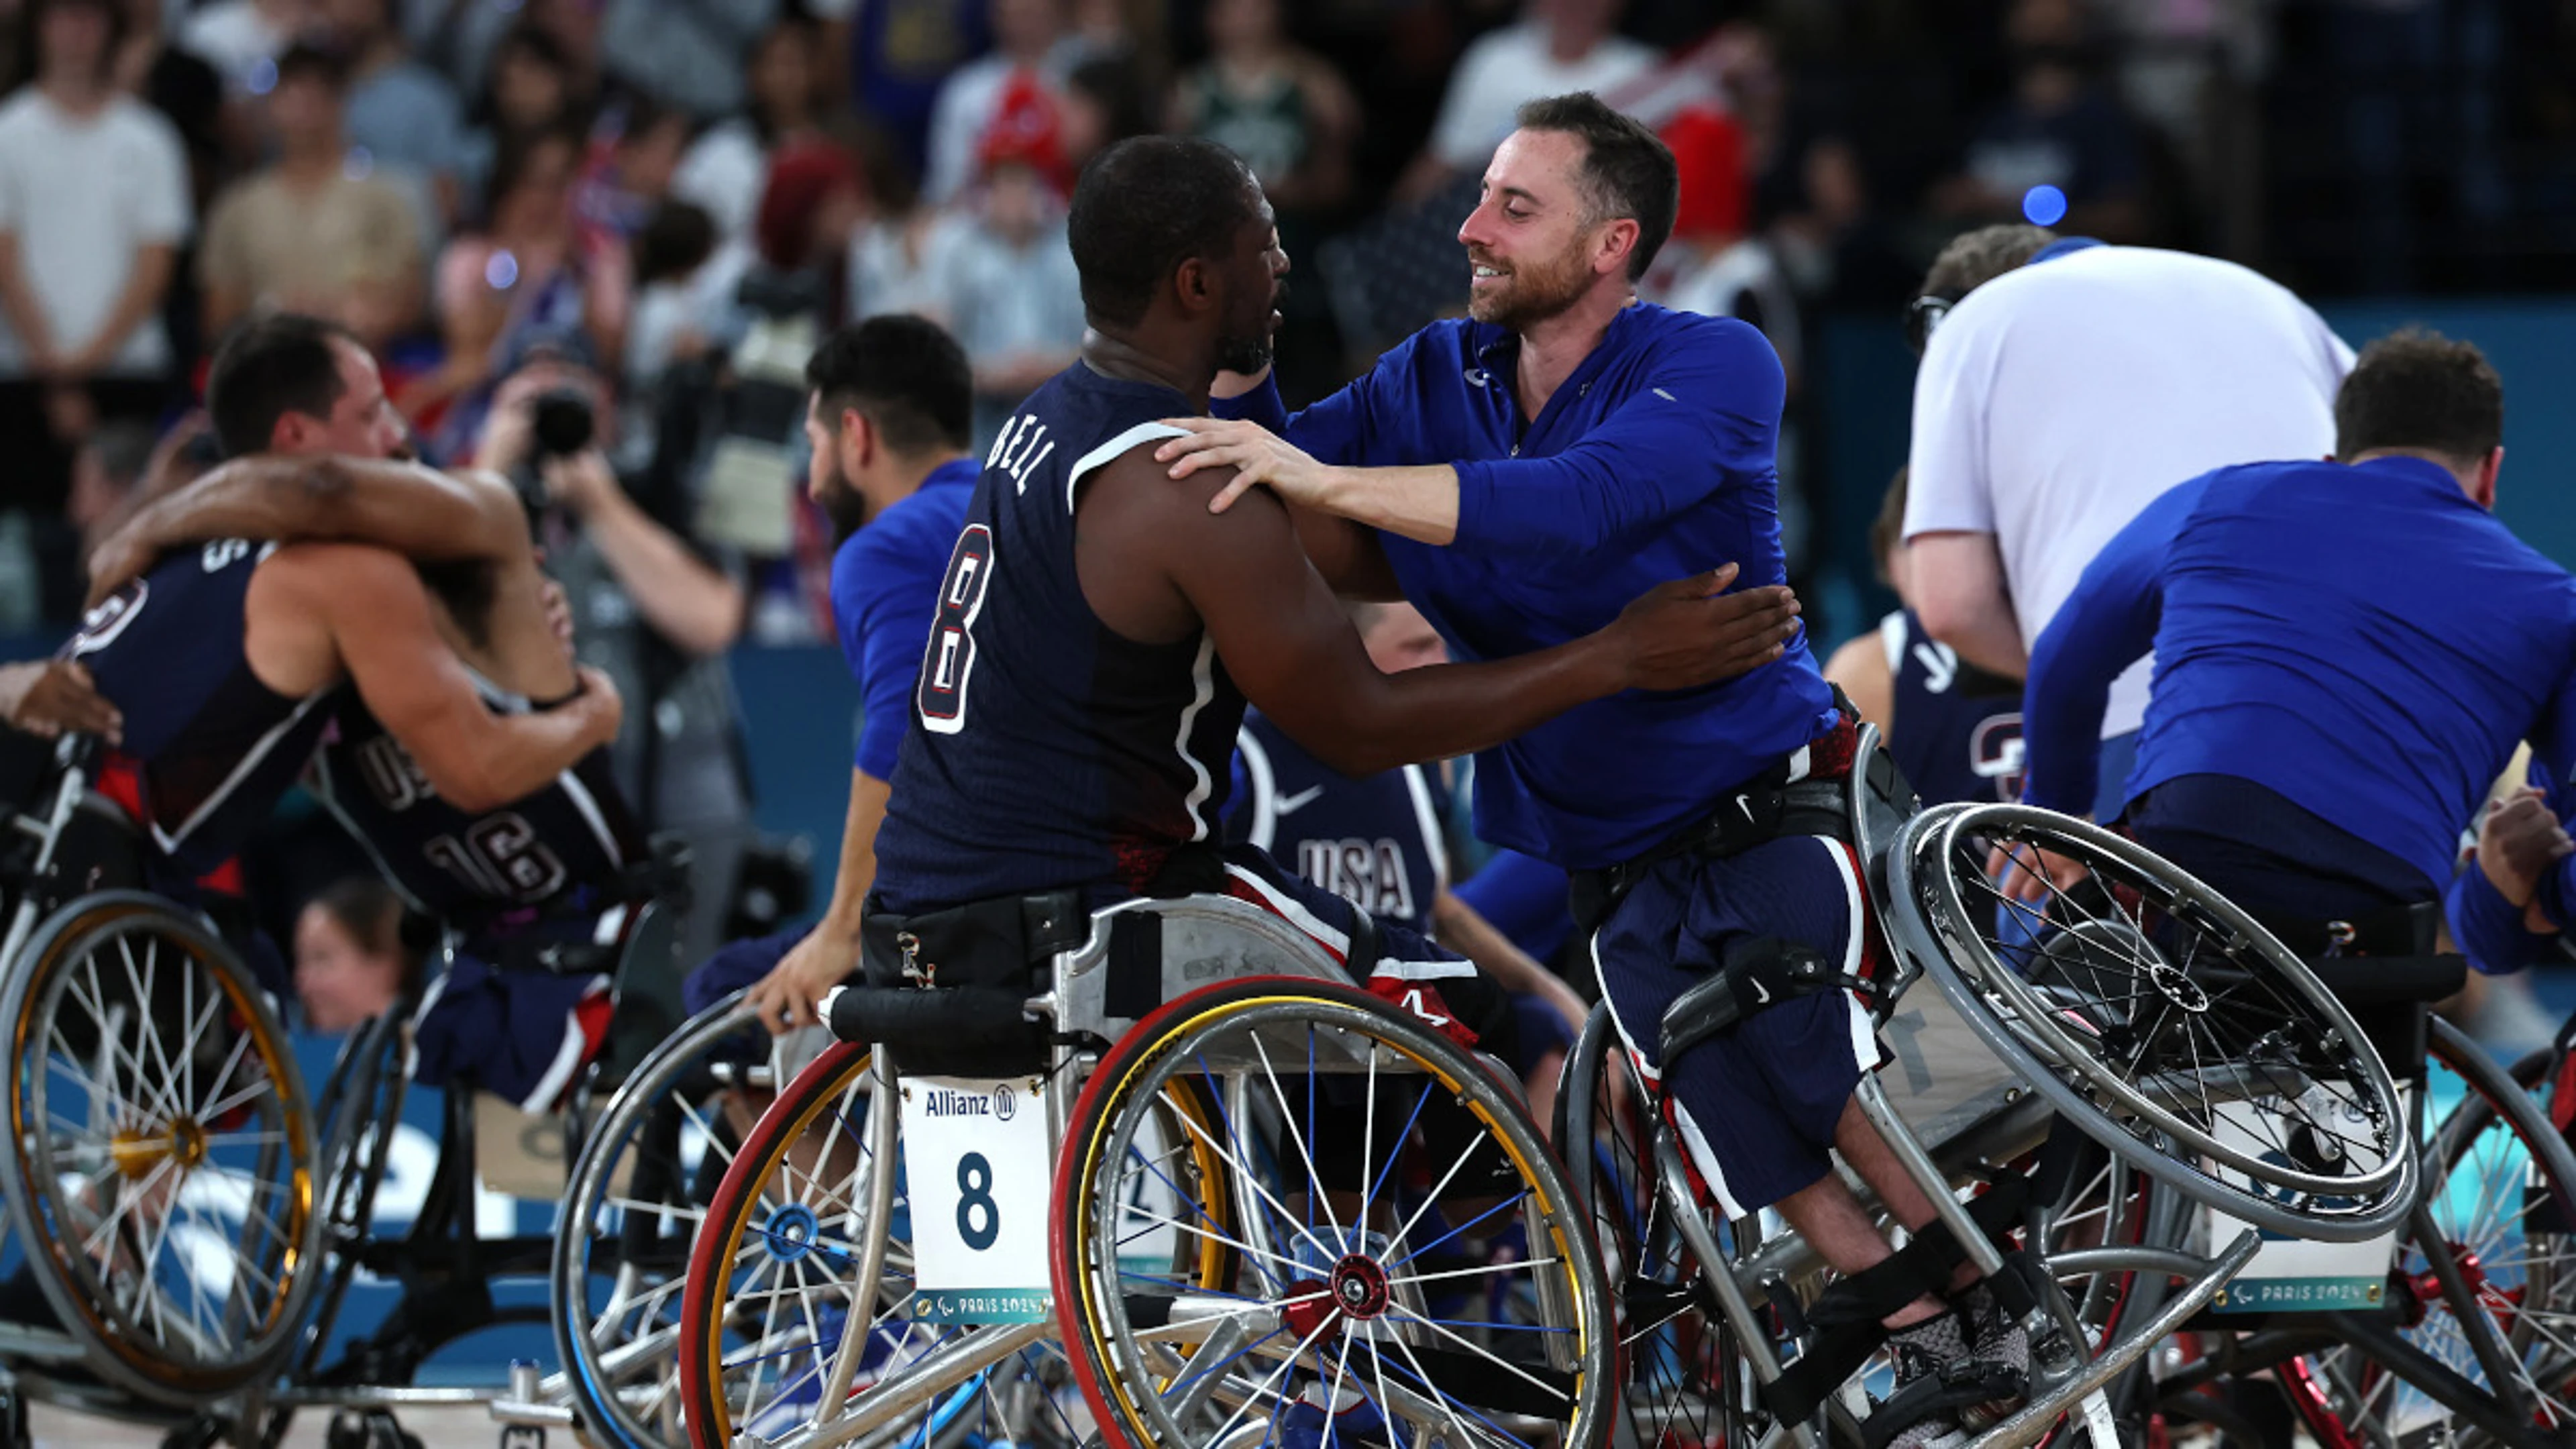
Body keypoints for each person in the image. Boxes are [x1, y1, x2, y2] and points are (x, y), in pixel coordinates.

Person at [1155, 94, 2021, 1444]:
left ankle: (1991, 1294)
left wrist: (1321, 480)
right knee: (1717, 1099)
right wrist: (1238, 358)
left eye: (1515, 206)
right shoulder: (1436, 370)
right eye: (1482, 197)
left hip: (1761, 799)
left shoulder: (1717, 361)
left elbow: (1577, 506)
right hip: (1600, 849)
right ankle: (1918, 1326)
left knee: (1794, 1048)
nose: (1471, 228)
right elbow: (1273, 479)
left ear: (1615, 241)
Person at [2021, 333, 2576, 980]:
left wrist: (2057, 820)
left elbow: (2064, 661)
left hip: (2194, 837)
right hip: (2381, 902)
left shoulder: (2218, 498)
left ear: (2332, 457)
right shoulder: (2555, 604)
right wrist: (2507, 902)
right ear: (2491, 475)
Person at [1900, 223, 2353, 818]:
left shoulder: (1976, 323)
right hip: (2349, 706)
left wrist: (2071, 675)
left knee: (2033, 902)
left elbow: (1953, 605)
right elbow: (2401, 483)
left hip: (2145, 717)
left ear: (1944, 315)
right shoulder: (2274, 301)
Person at [682, 313, 979, 1033]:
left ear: (856, 436)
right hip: (1089, 877)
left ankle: (831, 1157)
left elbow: (908, 725)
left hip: (977, 913)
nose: (811, 484)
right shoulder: (1023, 506)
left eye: (813, 444)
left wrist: (845, 927)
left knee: (731, 991)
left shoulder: (889, 544)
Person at [1228, 599, 1593, 1128]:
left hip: (1403, 1016)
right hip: (1293, 1015)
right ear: (1346, 656)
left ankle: (1527, 1210)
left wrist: (1551, 992)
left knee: (1540, 1031)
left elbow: (1439, 907)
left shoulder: (1417, 765)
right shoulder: (1253, 753)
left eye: (1440, 644)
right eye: (1416, 646)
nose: (1439, 661)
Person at [1824, 468, 2025, 806]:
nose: (1934, 565)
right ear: (1889, 557)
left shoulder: (2077, 629)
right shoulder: (1874, 665)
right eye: (1915, 544)